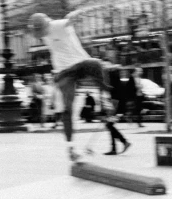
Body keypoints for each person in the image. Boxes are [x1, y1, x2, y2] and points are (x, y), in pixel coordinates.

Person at [29, 11, 112, 161]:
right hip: (63, 72)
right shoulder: (43, 33)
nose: (43, 35)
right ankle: (70, 148)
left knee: (96, 64)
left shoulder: (58, 26)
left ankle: (105, 99)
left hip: (80, 63)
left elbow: (68, 20)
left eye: (42, 31)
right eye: (39, 33)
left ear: (48, 23)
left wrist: (76, 14)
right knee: (67, 109)